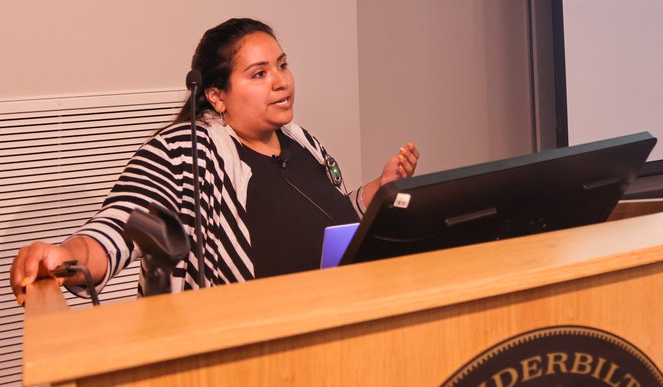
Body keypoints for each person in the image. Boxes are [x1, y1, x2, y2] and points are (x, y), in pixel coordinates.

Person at [9, 18, 419, 302]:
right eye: (258, 74)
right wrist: (66, 255)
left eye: (282, 65)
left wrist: (371, 195)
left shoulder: (303, 142)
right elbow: (122, 225)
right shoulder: (185, 151)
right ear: (217, 96)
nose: (281, 81)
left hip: (334, 321)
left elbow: (325, 223)